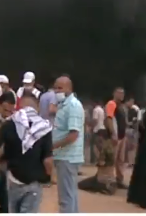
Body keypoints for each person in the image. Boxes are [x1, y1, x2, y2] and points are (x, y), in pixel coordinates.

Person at [0, 91, 52, 213]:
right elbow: (48, 160)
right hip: (34, 181)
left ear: (20, 107)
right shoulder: (44, 127)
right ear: (36, 106)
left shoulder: (9, 124)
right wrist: (49, 177)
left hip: (13, 179)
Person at [50, 75, 84, 211]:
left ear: (69, 88)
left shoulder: (73, 106)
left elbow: (73, 135)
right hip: (64, 156)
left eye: (60, 88)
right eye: (55, 88)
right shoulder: (63, 105)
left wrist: (52, 146)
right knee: (71, 195)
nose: (57, 91)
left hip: (68, 157)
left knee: (65, 198)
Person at [105, 87, 128, 189]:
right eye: (119, 93)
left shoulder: (122, 106)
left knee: (120, 160)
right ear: (114, 93)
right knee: (112, 159)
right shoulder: (111, 104)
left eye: (122, 94)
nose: (121, 95)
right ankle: (109, 180)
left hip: (122, 136)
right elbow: (109, 119)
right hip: (115, 136)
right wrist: (113, 133)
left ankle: (119, 180)